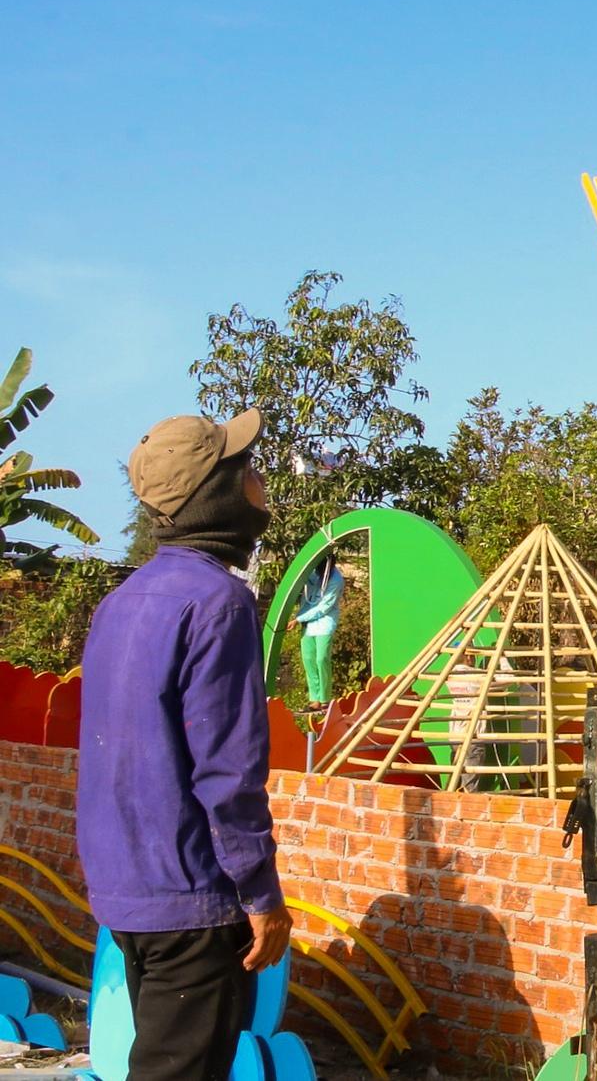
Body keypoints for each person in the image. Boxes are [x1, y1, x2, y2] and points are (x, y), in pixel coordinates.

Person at [79, 410, 294, 1081]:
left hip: (127, 891)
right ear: (216, 495)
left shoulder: (122, 602)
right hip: (193, 896)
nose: (261, 481)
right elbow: (226, 774)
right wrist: (260, 894)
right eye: (247, 469)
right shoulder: (219, 604)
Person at [291, 557, 345, 709]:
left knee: (321, 659)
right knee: (308, 659)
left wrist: (299, 619)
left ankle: (324, 698)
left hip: (324, 623)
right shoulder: (314, 574)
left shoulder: (336, 579)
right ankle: (314, 699)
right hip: (307, 623)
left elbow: (324, 607)